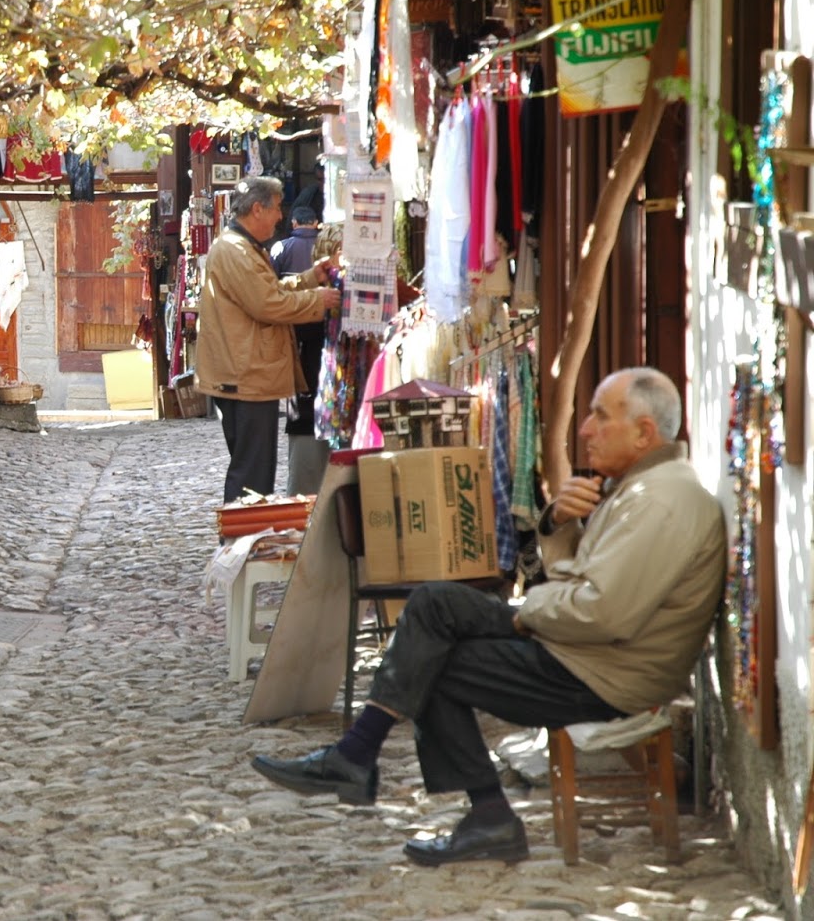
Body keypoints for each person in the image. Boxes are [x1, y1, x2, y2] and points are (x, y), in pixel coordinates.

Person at [249, 367, 726, 865]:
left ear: (645, 432)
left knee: (430, 660)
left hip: (605, 673)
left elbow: (601, 614)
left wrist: (526, 616)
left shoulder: (661, 501)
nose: (585, 429)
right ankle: (367, 760)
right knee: (434, 606)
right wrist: (559, 523)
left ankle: (440, 793)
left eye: (600, 417)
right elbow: (579, 581)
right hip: (586, 652)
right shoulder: (641, 488)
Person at [196, 175, 340, 504]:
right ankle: (240, 544)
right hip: (244, 376)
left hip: (247, 373)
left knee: (254, 470)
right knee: (252, 475)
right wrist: (320, 300)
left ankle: (245, 541)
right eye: (276, 208)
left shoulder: (243, 247)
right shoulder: (235, 250)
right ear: (257, 209)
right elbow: (268, 304)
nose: (280, 216)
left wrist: (309, 279)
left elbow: (268, 292)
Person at [269, 198, 331, 495]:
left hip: (301, 366)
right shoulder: (328, 251)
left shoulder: (280, 248)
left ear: (294, 223)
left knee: (304, 477)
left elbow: (270, 292)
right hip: (329, 357)